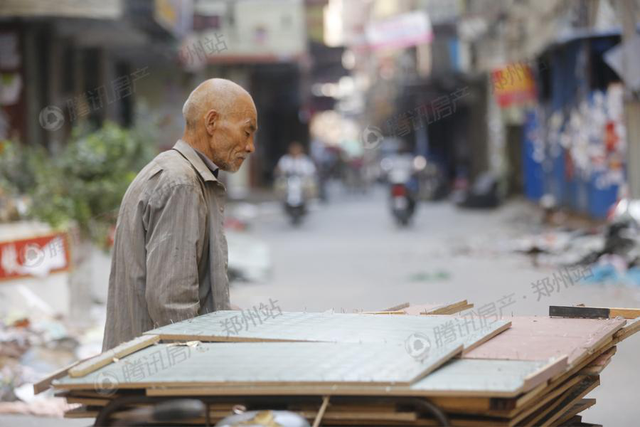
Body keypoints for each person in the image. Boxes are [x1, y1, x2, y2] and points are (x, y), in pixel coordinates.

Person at [102, 78, 258, 350]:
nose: (250, 146)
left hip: (147, 368)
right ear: (212, 123)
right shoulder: (181, 183)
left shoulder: (183, 175)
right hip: (154, 375)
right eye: (247, 132)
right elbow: (173, 307)